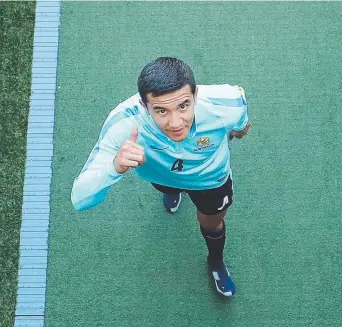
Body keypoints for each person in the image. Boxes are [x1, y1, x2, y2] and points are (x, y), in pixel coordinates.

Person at [71, 57, 251, 297]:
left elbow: (240, 127)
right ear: (145, 107)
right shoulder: (124, 122)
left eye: (183, 106)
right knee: (167, 188)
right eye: (161, 111)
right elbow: (79, 199)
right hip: (163, 177)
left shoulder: (228, 103)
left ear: (195, 96)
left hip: (211, 180)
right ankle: (173, 192)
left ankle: (215, 262)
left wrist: (234, 133)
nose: (175, 122)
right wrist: (113, 167)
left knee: (212, 223)